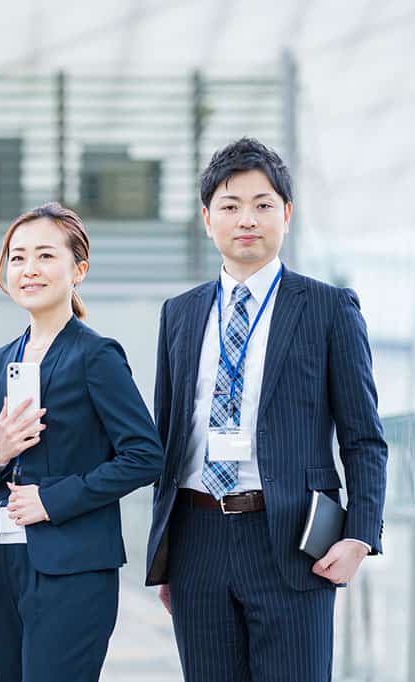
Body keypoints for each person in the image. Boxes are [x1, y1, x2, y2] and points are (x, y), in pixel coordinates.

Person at [145, 138, 387, 681]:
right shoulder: (179, 314)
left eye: (263, 204)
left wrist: (361, 533)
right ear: (208, 220)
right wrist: (165, 551)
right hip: (197, 538)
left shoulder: (328, 307)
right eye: (230, 206)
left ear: (287, 214)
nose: (246, 219)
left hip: (291, 540)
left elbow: (364, 438)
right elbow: (168, 436)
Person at [0, 202, 164, 682]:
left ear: (78, 269)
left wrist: (52, 500)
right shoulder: (0, 361)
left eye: (44, 256)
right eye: (17, 258)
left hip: (73, 568)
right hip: (3, 562)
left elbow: (145, 456)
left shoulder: (95, 355)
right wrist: (0, 450)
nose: (28, 269)